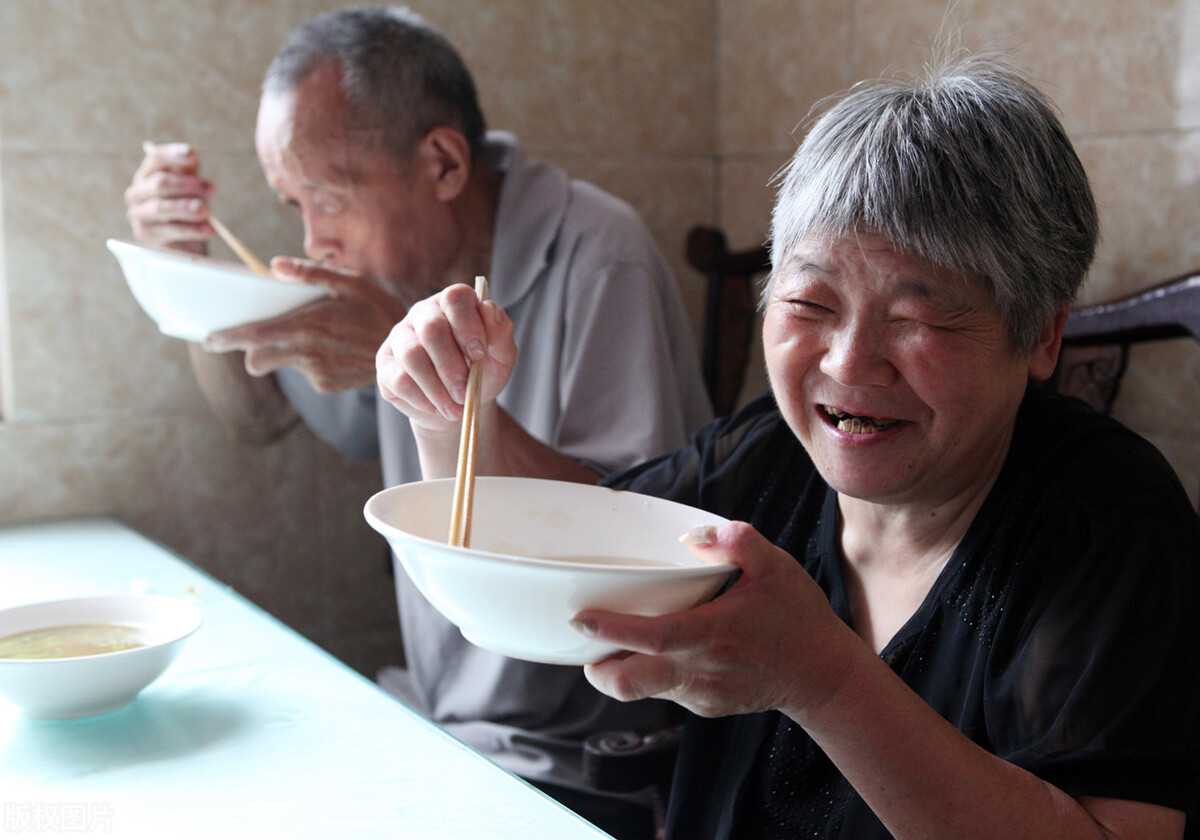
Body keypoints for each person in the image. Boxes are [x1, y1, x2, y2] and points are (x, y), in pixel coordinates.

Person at [377, 54, 1200, 839]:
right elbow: (546, 557)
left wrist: (824, 680)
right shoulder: (772, 456)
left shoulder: (1109, 522)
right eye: (810, 302)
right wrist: (451, 411)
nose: (849, 363)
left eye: (916, 317)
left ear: (1042, 336)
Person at [124, 6, 713, 838]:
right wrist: (183, 279)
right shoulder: (392, 284)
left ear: (441, 163)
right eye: (294, 203)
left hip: (580, 750)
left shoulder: (598, 252)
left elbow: (634, 543)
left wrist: (404, 366)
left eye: (327, 199)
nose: (314, 241)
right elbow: (256, 418)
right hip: (436, 715)